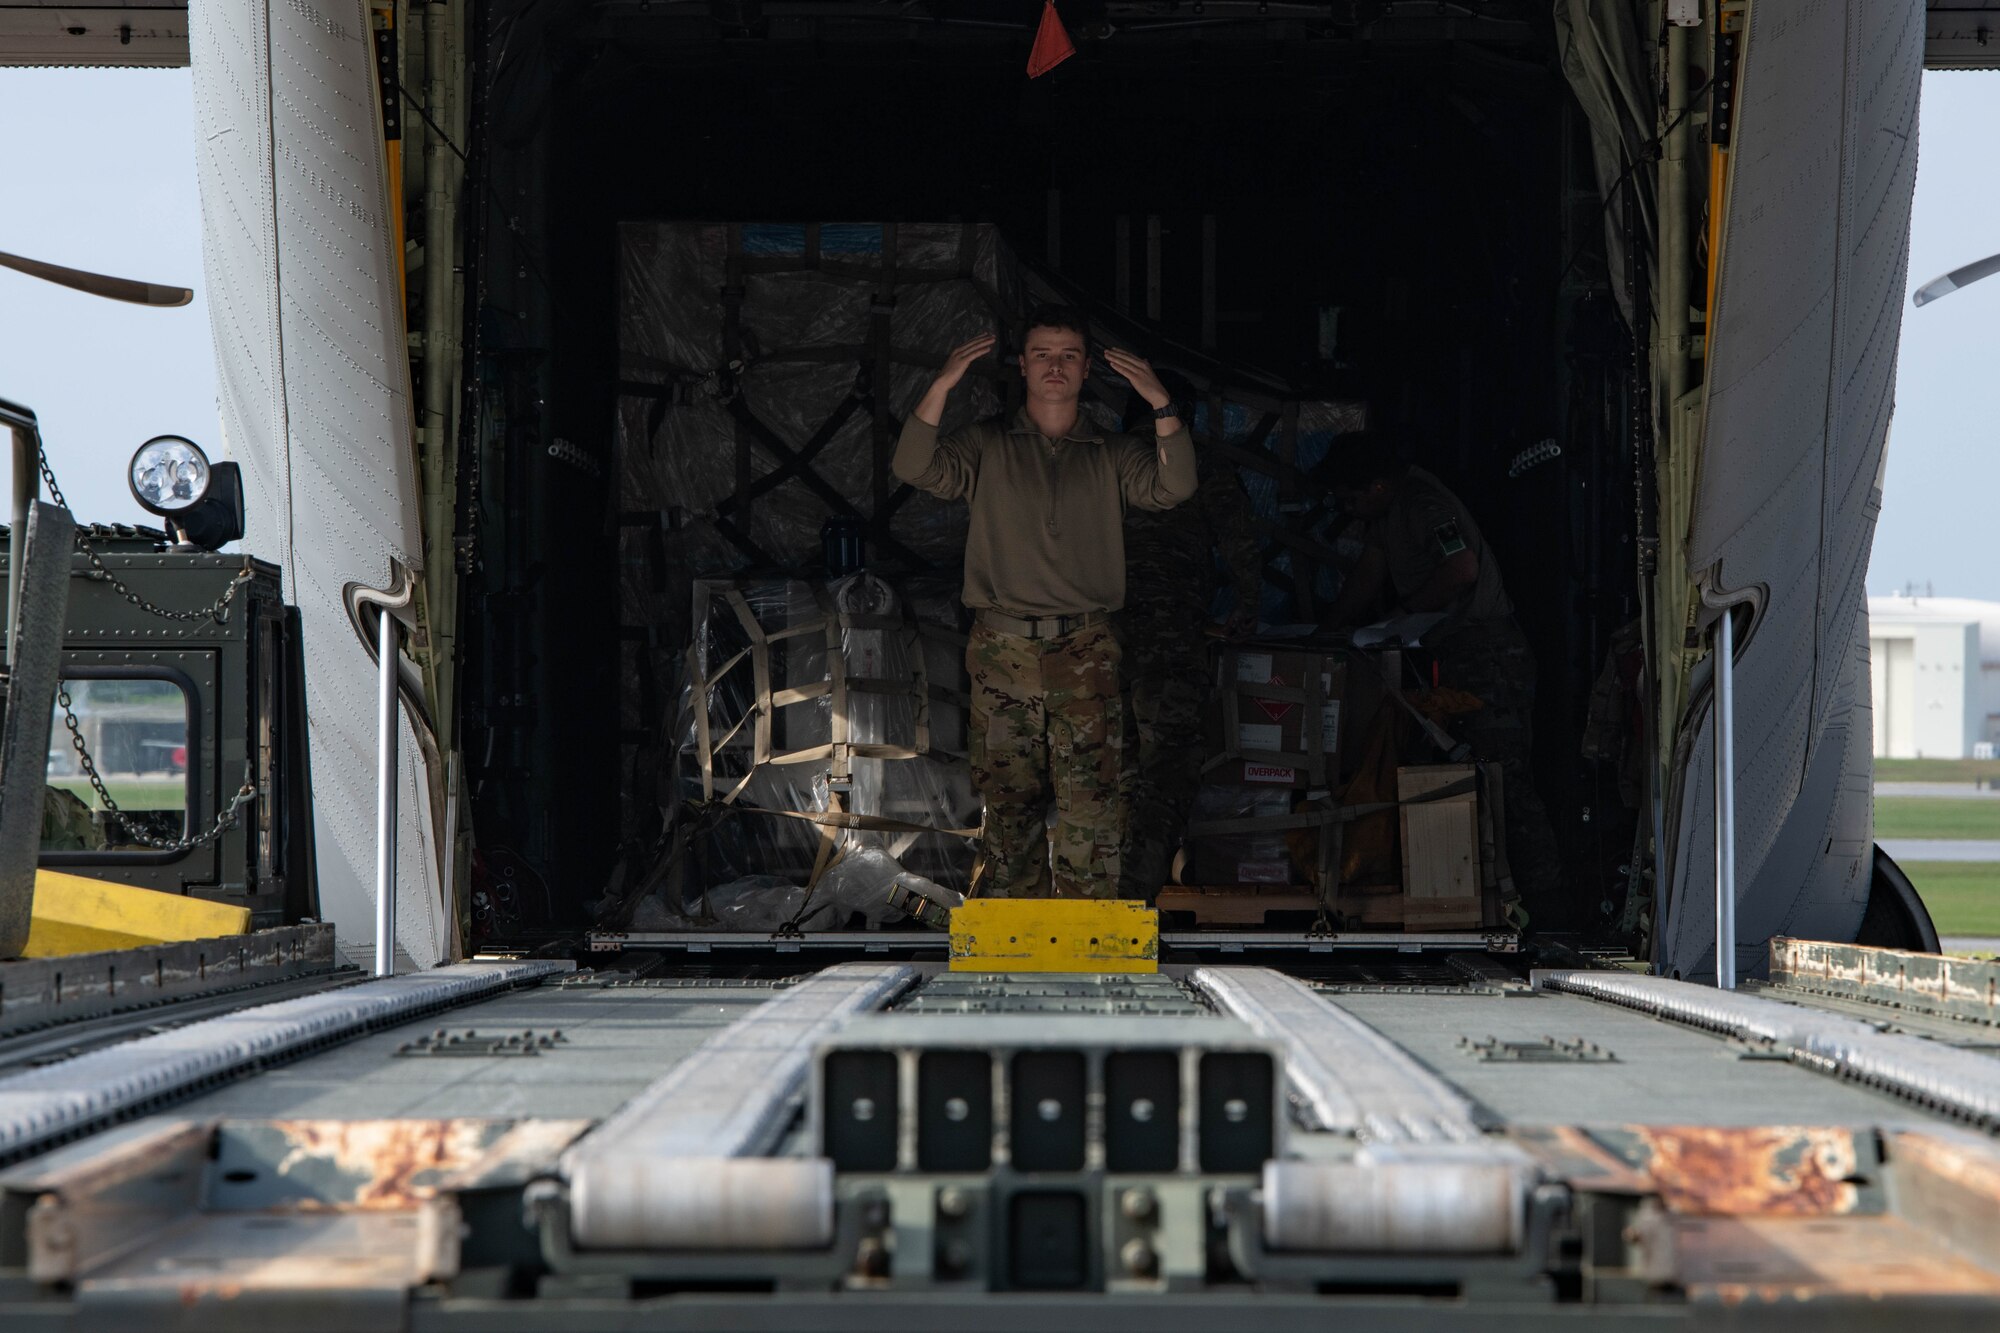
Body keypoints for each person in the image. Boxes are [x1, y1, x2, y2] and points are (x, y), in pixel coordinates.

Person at [894, 305, 1196, 898]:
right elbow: (914, 465)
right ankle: (1013, 929)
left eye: (1068, 356)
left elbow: (1175, 485)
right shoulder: (987, 445)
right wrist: (942, 382)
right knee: (1008, 800)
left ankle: (1088, 934)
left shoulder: (1110, 452)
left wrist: (1160, 402)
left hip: (1085, 645)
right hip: (1002, 645)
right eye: (1042, 354)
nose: (1055, 366)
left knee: (1093, 799)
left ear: (1086, 370)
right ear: (1022, 367)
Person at [1321, 434, 1562, 920]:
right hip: (1453, 655)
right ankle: (1479, 898)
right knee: (1457, 773)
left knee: (1503, 778)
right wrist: (1331, 632)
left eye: (1352, 499)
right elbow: (1370, 571)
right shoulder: (1387, 514)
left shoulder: (1424, 504)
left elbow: (1462, 568)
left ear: (1380, 486)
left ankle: (1549, 907)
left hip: (1488, 655)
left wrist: (1403, 612)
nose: (1349, 510)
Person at [1118, 377, 1263, 899]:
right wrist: (1249, 603)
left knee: (1107, 764)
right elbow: (1239, 537)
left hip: (1095, 637)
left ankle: (1094, 890)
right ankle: (1133, 895)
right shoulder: (1199, 460)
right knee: (1169, 763)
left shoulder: (1102, 458)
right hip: (1172, 635)